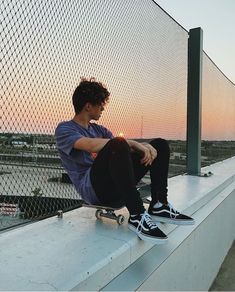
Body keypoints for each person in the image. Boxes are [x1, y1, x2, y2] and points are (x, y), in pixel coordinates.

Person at [55, 77, 195, 244]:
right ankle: (136, 215)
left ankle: (159, 205)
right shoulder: (65, 129)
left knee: (159, 145)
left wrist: (145, 147)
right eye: (101, 104)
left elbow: (121, 151)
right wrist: (134, 144)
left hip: (115, 185)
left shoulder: (99, 129)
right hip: (95, 191)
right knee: (118, 143)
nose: (103, 108)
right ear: (88, 105)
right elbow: (90, 145)